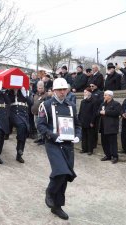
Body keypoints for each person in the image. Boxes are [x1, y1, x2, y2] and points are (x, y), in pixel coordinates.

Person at [37, 78, 81, 220]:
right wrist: (53, 136)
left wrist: (78, 136)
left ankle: (57, 206)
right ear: (54, 90)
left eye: (64, 89)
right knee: (61, 171)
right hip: (53, 143)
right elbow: (41, 126)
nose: (62, 92)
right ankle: (49, 192)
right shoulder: (46, 105)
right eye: (59, 90)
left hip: (68, 145)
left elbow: (78, 125)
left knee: (65, 176)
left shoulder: (71, 106)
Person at [8, 86, 32, 163]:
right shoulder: (11, 92)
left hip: (23, 115)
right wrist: (13, 93)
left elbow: (31, 103)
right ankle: (19, 149)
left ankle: (19, 152)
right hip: (14, 113)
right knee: (22, 126)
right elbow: (8, 101)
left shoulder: (26, 92)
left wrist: (25, 95)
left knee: (24, 130)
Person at [99, 90, 121, 164]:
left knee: (113, 142)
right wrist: (100, 112)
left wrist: (106, 112)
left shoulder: (116, 104)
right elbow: (99, 111)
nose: (104, 96)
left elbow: (117, 112)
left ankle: (115, 156)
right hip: (103, 126)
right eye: (104, 95)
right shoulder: (103, 104)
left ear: (110, 96)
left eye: (105, 95)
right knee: (104, 142)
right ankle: (107, 155)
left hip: (112, 126)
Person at [78, 87, 97, 155]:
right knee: (84, 136)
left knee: (90, 136)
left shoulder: (94, 101)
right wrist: (79, 120)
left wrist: (92, 122)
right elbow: (80, 112)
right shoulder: (83, 101)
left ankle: (90, 150)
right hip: (83, 121)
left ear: (89, 93)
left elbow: (94, 113)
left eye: (85, 92)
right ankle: (84, 148)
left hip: (90, 122)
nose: (84, 93)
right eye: (84, 92)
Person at [31, 81, 47, 145]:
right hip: (35, 113)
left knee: (41, 126)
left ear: (43, 88)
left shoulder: (46, 95)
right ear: (37, 88)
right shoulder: (35, 95)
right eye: (39, 88)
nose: (40, 89)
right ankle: (39, 138)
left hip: (42, 114)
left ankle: (43, 139)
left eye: (41, 88)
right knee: (37, 126)